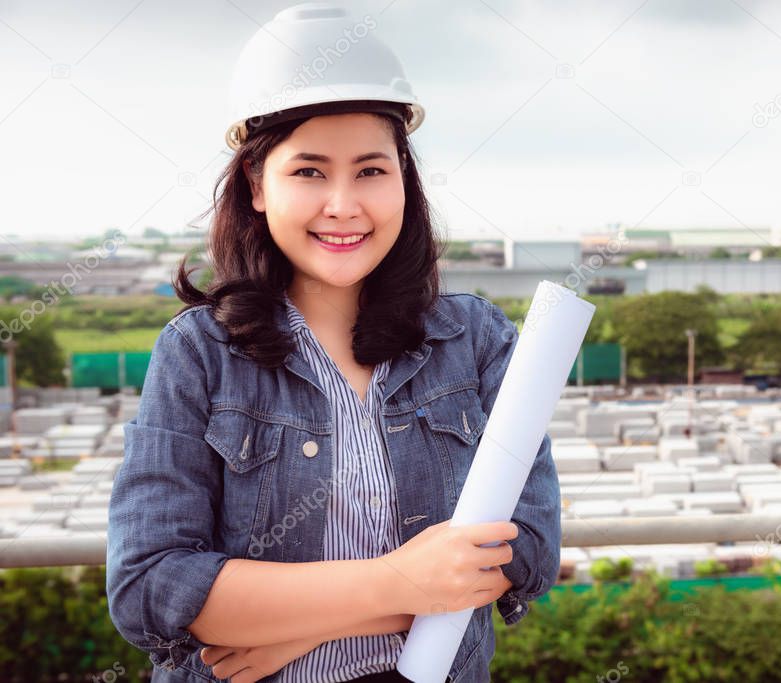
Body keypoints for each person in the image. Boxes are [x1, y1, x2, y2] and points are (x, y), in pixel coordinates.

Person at [104, 4, 561, 682]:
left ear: (403, 179)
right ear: (257, 185)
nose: (343, 204)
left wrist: (309, 620)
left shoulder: (476, 339)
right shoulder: (199, 353)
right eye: (310, 171)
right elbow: (150, 586)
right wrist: (397, 583)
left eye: (371, 170)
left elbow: (527, 550)